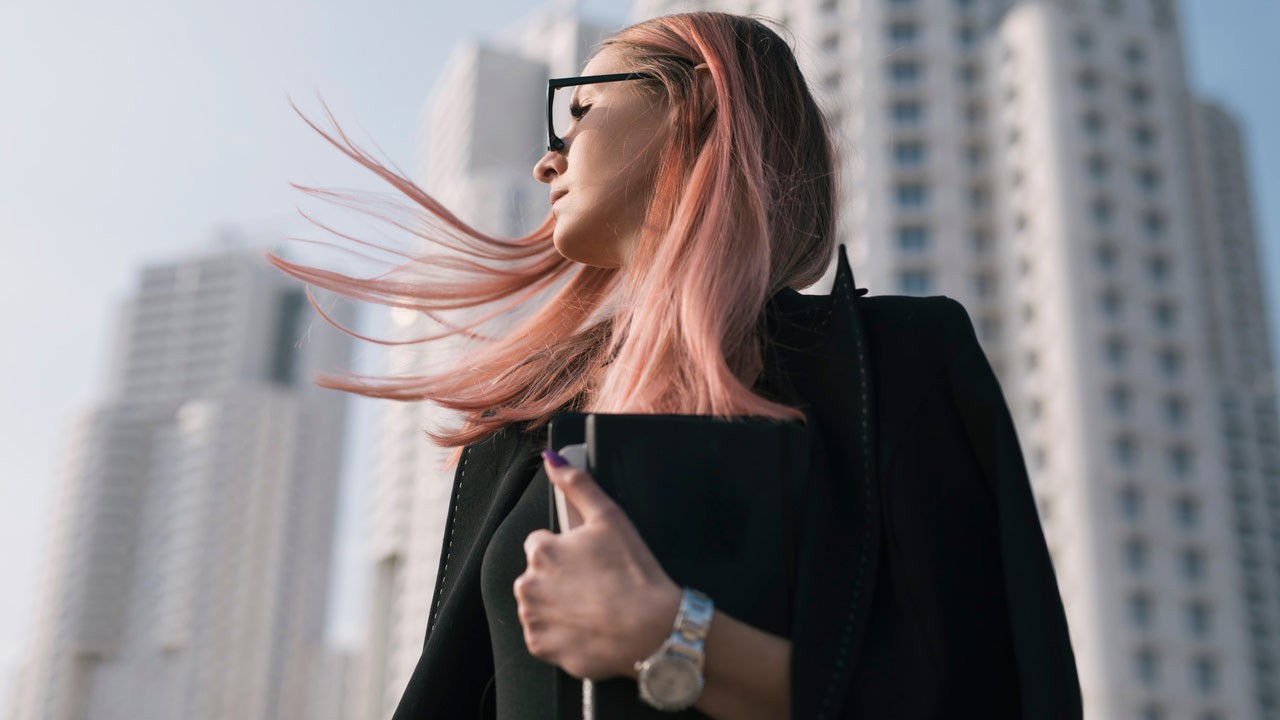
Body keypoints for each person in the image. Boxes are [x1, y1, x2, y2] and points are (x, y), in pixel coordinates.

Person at [269, 11, 1082, 720]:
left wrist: (672, 636)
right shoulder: (520, 428)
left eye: (577, 110)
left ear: (693, 103)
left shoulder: (901, 363)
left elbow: (997, 696)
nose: (545, 162)